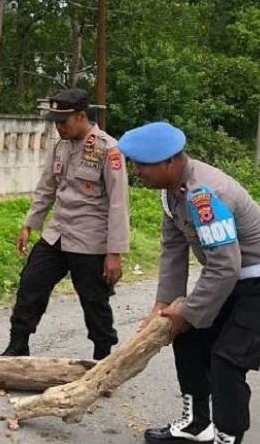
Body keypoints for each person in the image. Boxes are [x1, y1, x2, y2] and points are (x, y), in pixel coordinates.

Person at [120, 122, 260, 444]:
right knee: (187, 338)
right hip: (234, 281)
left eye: (143, 164)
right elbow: (173, 250)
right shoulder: (170, 195)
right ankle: (196, 424)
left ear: (170, 162)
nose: (137, 171)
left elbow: (225, 267)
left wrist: (188, 313)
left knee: (227, 359)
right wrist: (164, 307)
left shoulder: (205, 195)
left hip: (254, 284)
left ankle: (228, 436)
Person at [0, 88, 130, 360]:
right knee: (31, 283)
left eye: (63, 121)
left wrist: (114, 253)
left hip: (91, 240)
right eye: (55, 122)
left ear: (81, 116)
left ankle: (102, 356)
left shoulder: (108, 149)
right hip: (58, 233)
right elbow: (47, 186)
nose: (58, 127)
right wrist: (30, 224)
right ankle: (18, 345)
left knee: (93, 300)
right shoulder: (61, 146)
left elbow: (119, 204)